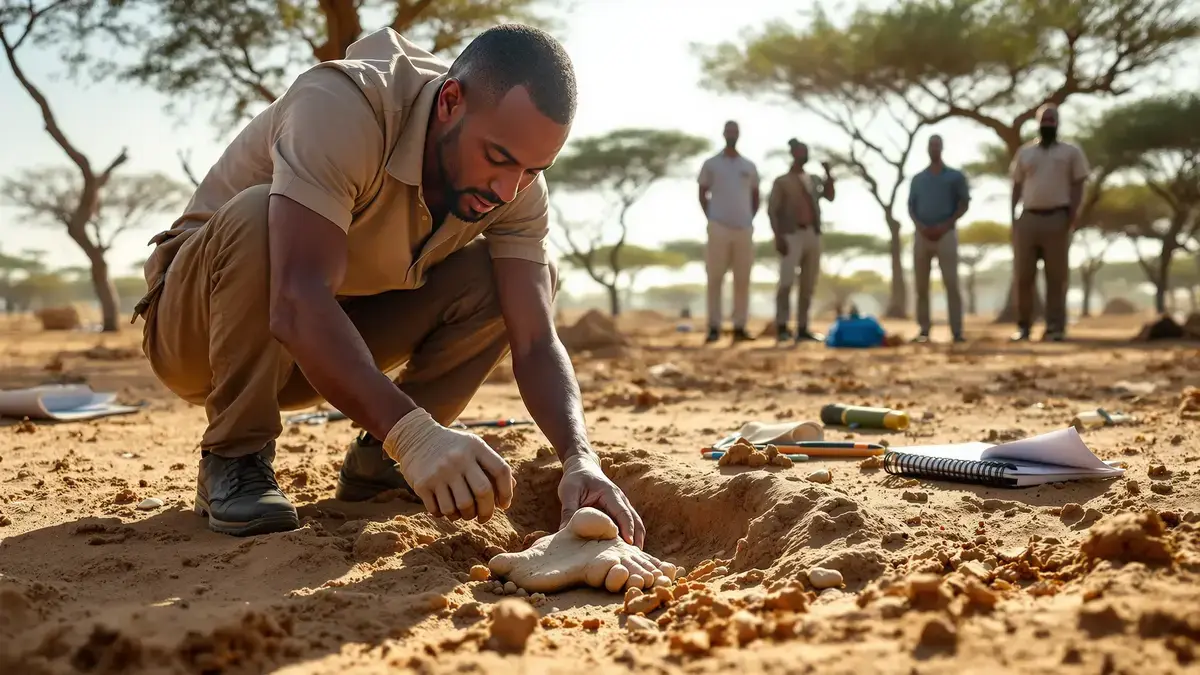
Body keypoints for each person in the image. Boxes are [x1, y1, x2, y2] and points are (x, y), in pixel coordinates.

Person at [132, 25, 646, 547]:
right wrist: (416, 436)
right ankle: (234, 456)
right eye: (497, 158)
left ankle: (381, 464)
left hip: (317, 350)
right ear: (450, 101)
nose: (507, 189)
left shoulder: (515, 186)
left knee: (516, 277)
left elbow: (534, 338)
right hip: (197, 336)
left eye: (533, 170)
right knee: (258, 212)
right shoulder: (341, 107)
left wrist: (580, 459)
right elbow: (296, 299)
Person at [1009, 104, 1089, 342]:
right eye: (1044, 120)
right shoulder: (1025, 153)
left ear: (1058, 123)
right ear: (1038, 123)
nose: (1048, 124)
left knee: (1056, 278)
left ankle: (1055, 327)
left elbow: (1079, 184)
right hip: (1028, 218)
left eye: (1051, 120)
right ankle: (1024, 327)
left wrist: (1073, 214)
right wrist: (1013, 217)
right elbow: (1016, 185)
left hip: (1057, 218)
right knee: (1023, 276)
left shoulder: (1071, 152)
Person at [767, 139, 835, 343]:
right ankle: (782, 326)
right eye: (800, 151)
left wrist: (829, 175)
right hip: (791, 234)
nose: (803, 155)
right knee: (786, 282)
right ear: (793, 154)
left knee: (808, 284)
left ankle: (803, 328)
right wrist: (778, 237)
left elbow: (830, 196)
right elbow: (773, 211)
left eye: (805, 151)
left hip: (812, 234)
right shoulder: (782, 182)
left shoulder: (813, 179)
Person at [698, 121, 759, 344]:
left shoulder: (749, 166)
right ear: (724, 134)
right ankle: (714, 326)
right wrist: (712, 217)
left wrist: (748, 218)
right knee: (715, 278)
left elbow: (756, 196)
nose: (732, 135)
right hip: (719, 228)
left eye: (735, 132)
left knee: (742, 279)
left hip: (744, 228)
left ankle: (739, 326)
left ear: (739, 135)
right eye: (729, 131)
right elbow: (702, 192)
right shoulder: (711, 164)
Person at [908, 134, 970, 344]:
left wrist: (945, 225)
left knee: (951, 283)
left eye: (937, 145)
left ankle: (957, 331)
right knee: (921, 286)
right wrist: (921, 227)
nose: (934, 148)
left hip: (946, 235)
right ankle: (924, 330)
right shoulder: (917, 179)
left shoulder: (955, 177)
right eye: (931, 145)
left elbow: (964, 204)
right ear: (927, 149)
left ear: (942, 148)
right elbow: (911, 207)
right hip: (922, 235)